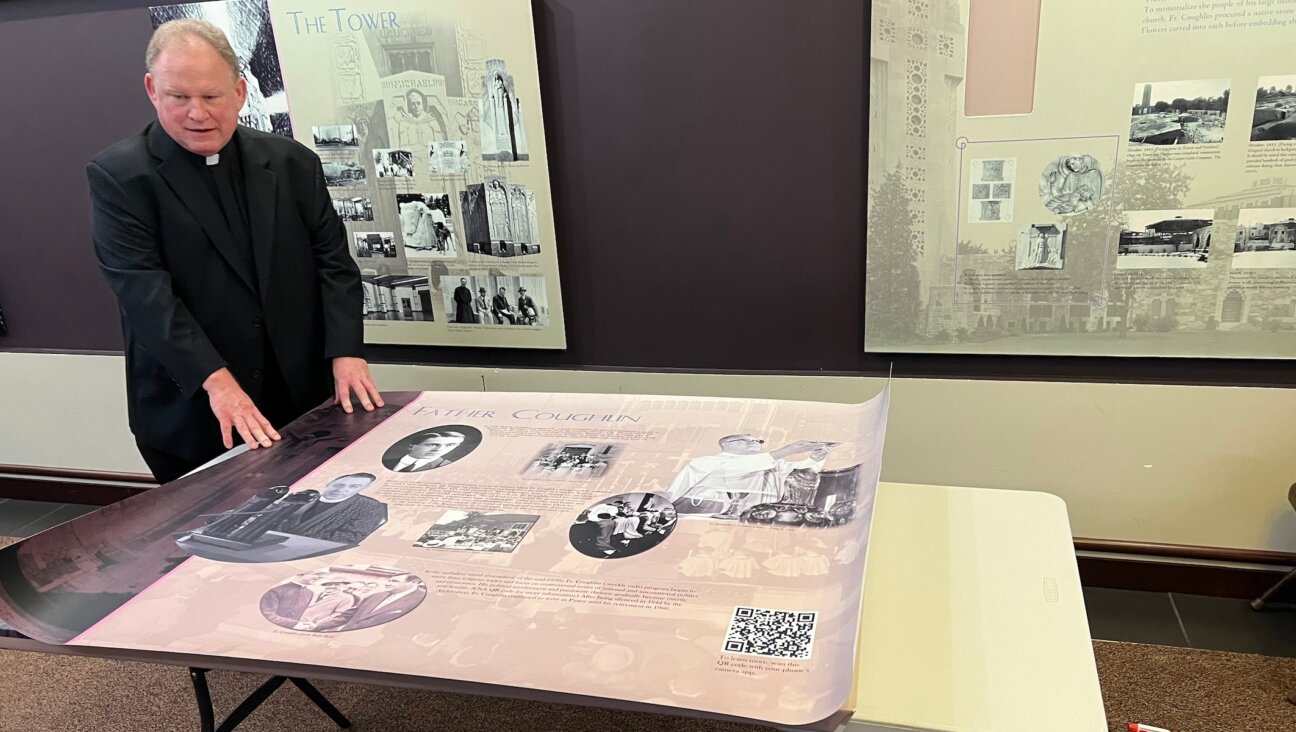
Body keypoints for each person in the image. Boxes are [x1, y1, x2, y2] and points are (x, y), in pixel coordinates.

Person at [87, 20, 383, 484]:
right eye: (179, 97)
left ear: (241, 92)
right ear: (152, 89)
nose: (197, 114)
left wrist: (346, 352)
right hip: (195, 408)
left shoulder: (292, 164)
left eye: (211, 97)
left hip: (298, 395)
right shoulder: (120, 179)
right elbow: (146, 298)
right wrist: (219, 383)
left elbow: (334, 263)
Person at [666, 435, 825, 518]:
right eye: (745, 440)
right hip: (705, 512)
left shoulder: (768, 462)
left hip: (755, 515)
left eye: (758, 440)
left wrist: (817, 457)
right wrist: (785, 451)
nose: (754, 442)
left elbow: (797, 470)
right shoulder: (705, 461)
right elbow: (732, 469)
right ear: (726, 444)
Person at [280, 472, 387, 545]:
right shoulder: (303, 497)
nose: (341, 489)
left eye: (353, 487)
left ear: (363, 488)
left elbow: (350, 537)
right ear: (329, 484)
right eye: (337, 485)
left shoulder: (369, 506)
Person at [384, 430, 466, 472]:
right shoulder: (386, 463)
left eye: (450, 445)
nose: (440, 449)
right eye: (432, 444)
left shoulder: (451, 468)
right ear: (411, 446)